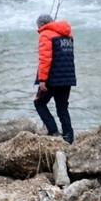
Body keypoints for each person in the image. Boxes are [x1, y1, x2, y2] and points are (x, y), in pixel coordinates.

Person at [34, 13, 76, 144]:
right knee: (62, 107)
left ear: (41, 25)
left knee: (39, 103)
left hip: (52, 78)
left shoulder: (45, 34)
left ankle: (53, 131)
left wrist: (42, 80)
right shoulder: (67, 35)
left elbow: (45, 59)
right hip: (68, 78)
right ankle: (69, 136)